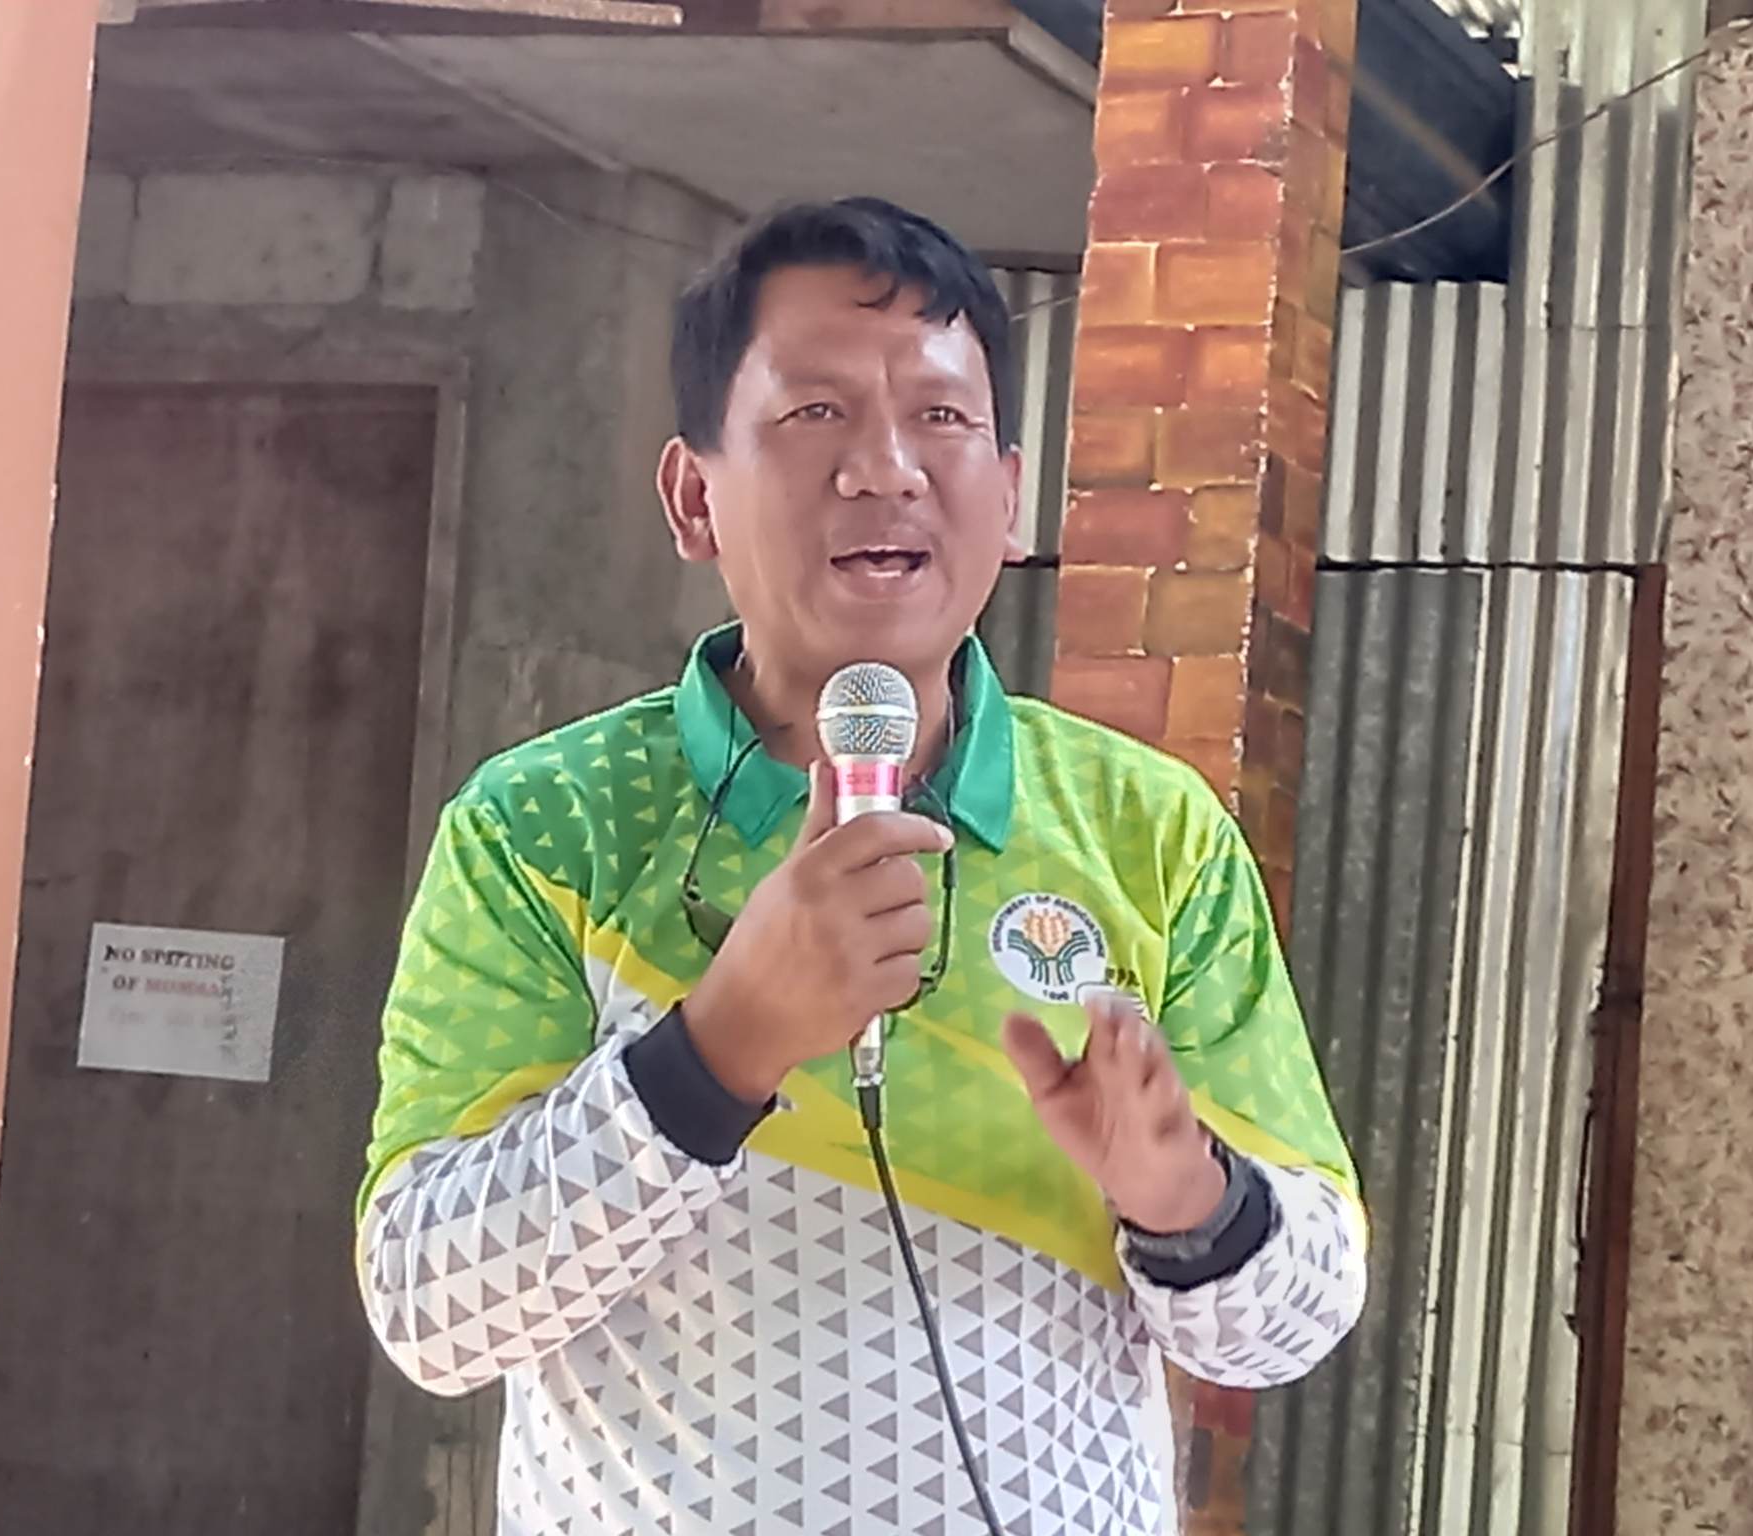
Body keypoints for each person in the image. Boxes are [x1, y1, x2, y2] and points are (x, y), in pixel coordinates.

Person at [357, 196, 1367, 1534]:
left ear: (1010, 496)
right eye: (814, 412)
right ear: (694, 497)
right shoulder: (544, 829)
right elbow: (431, 1310)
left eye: (940, 416)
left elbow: (1297, 1320)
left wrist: (1188, 1201)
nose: (885, 469)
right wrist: (719, 1049)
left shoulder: (1150, 832)